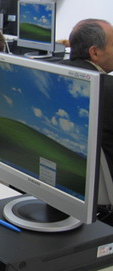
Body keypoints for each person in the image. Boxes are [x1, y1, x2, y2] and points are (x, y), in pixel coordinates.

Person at [59, 19, 113, 176]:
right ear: (94, 52)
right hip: (103, 188)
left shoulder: (54, 72)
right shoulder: (108, 90)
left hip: (66, 177)